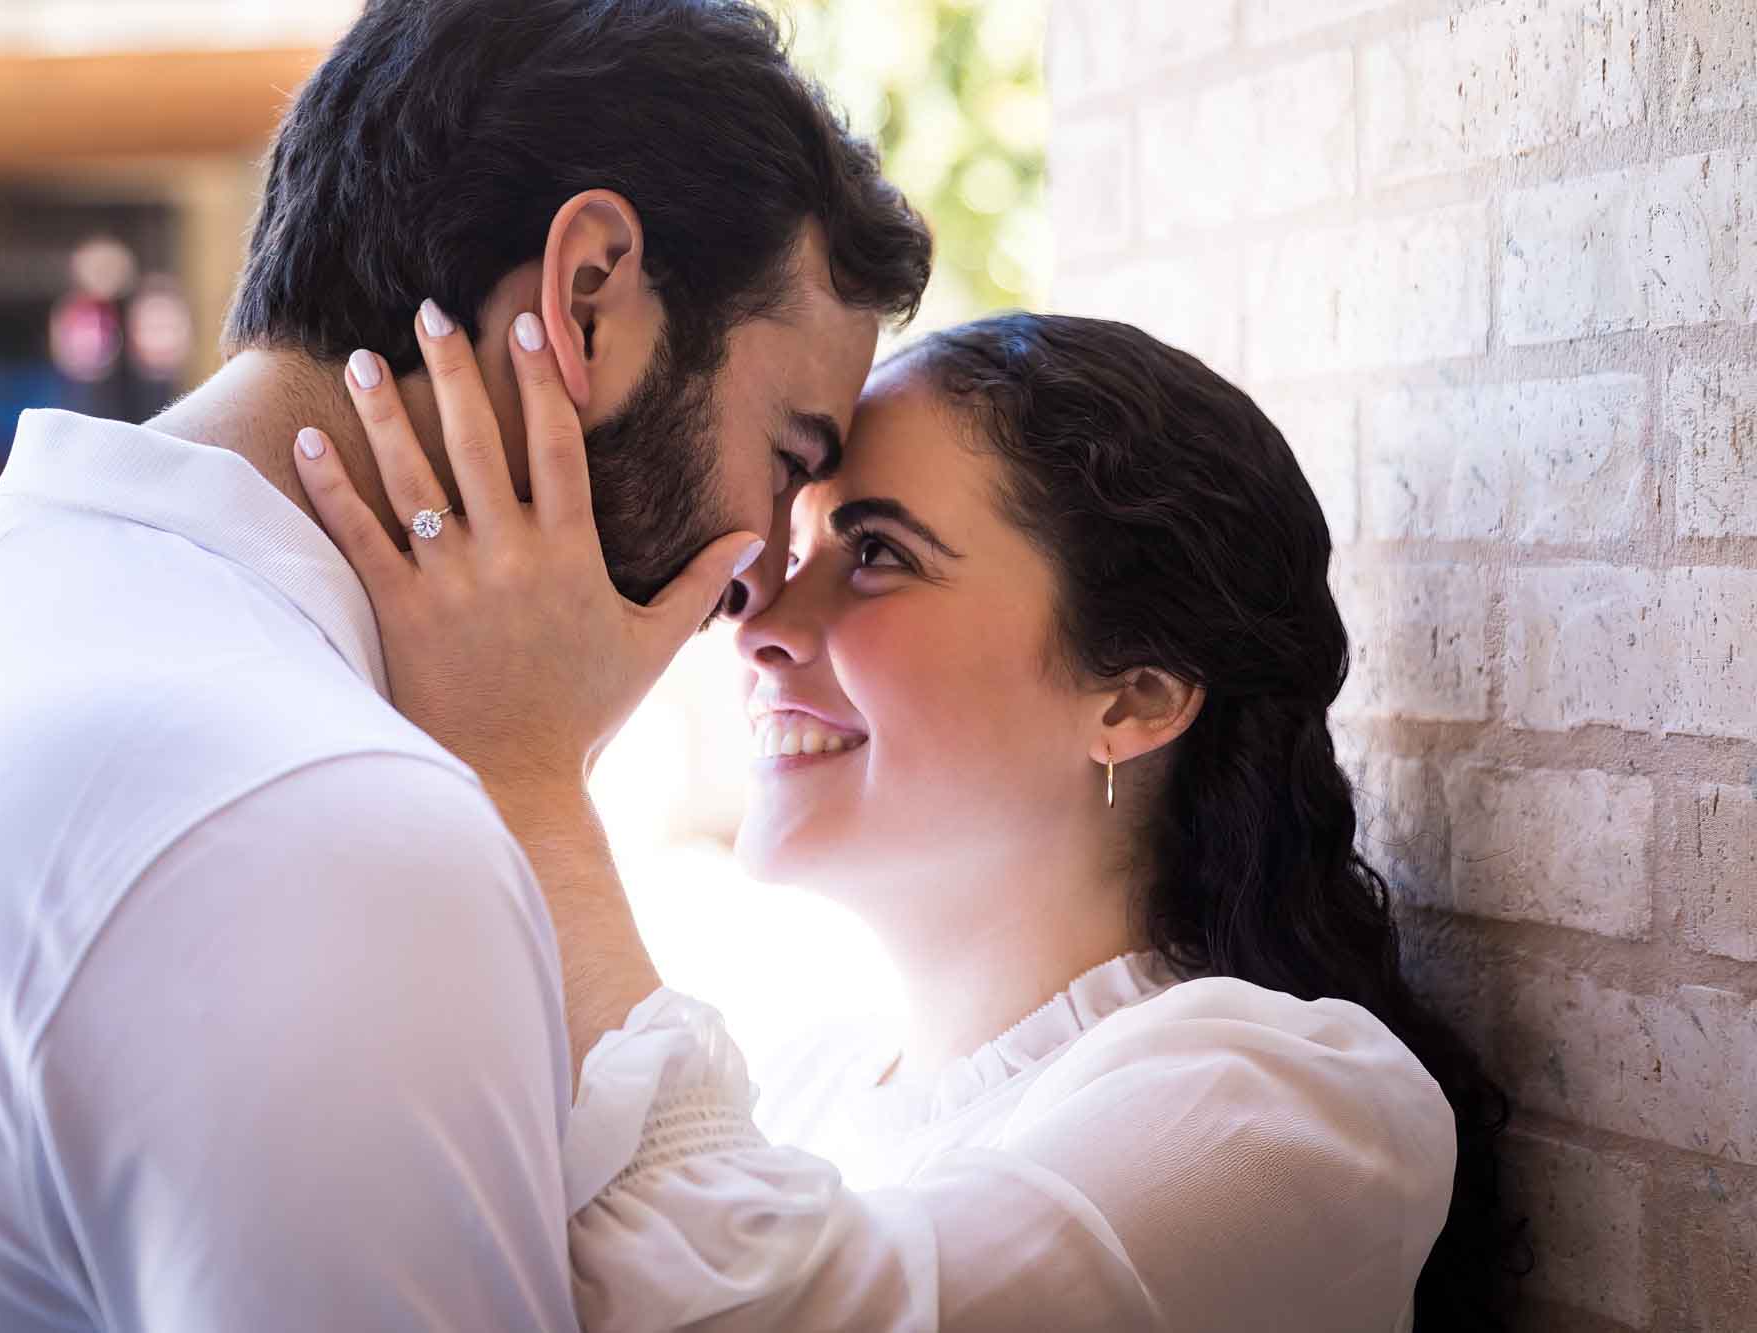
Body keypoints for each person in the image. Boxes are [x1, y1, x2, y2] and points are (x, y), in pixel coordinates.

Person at [0, 3, 930, 1328]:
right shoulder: (334, 820)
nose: (758, 575)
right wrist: (520, 770)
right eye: (789, 458)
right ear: (588, 294)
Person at [300, 309, 1529, 1330]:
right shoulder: (800, 1080)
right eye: (789, 549)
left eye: (875, 553)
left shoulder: (1284, 1106)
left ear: (1134, 695)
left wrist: (523, 768)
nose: (758, 619)